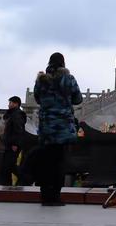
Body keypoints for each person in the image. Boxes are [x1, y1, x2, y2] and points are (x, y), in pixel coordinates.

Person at [34, 52, 82, 206]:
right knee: (59, 161)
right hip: (62, 127)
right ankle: (55, 196)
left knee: (45, 161)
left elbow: (37, 98)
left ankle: (45, 195)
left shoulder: (41, 81)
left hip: (46, 126)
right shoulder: (68, 79)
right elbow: (78, 99)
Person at [0, 96, 27, 186]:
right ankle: (7, 185)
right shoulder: (12, 114)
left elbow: (18, 130)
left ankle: (24, 178)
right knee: (7, 166)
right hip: (9, 143)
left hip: (13, 144)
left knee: (10, 165)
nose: (9, 105)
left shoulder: (17, 115)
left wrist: (15, 143)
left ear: (16, 104)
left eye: (10, 103)